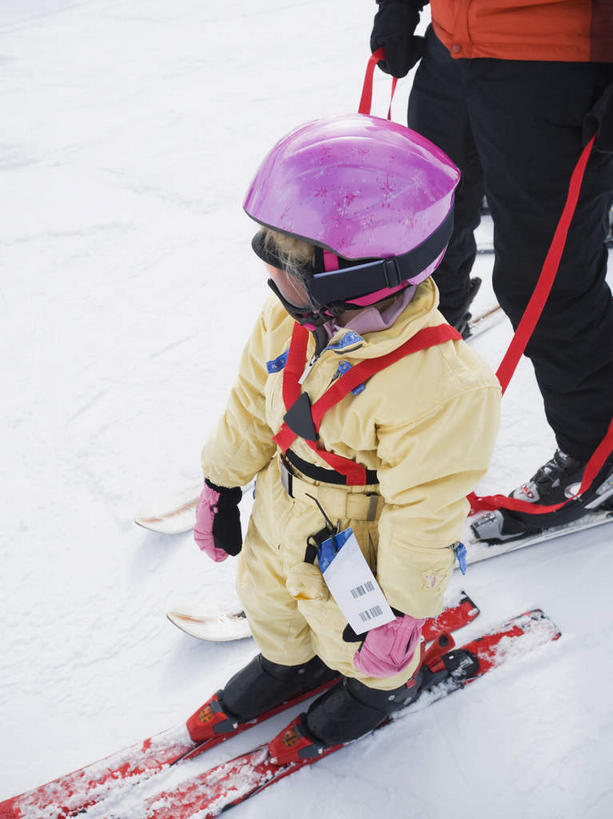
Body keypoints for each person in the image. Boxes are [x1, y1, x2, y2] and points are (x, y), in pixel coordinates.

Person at [187, 114, 501, 758]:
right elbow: (251, 403)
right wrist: (221, 481)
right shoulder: (289, 319)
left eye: (289, 267)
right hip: (284, 501)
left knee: (353, 629)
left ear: (351, 281)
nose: (273, 280)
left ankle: (381, 689)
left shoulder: (442, 385)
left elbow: (426, 512)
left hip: (361, 535)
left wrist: (406, 608)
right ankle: (288, 662)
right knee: (267, 597)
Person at [370, 0, 613, 541]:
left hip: (554, 61)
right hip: (450, 49)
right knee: (416, 242)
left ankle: (599, 453)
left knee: (545, 278)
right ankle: (423, 383)